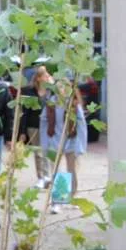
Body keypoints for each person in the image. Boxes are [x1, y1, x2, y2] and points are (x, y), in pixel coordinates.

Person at [40, 68, 88, 212]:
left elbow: (81, 124)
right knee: (57, 171)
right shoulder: (51, 103)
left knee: (71, 170)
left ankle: (72, 198)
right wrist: (44, 144)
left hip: (71, 142)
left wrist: (81, 144)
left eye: (65, 86)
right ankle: (58, 201)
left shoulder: (73, 104)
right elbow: (43, 122)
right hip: (54, 141)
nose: (62, 89)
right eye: (59, 86)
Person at [19, 67, 50, 188]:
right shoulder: (29, 91)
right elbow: (24, 112)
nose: (47, 77)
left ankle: (48, 176)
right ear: (38, 78)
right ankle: (41, 177)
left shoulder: (50, 91)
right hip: (34, 125)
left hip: (48, 126)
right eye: (45, 76)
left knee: (47, 151)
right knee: (38, 152)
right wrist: (22, 131)